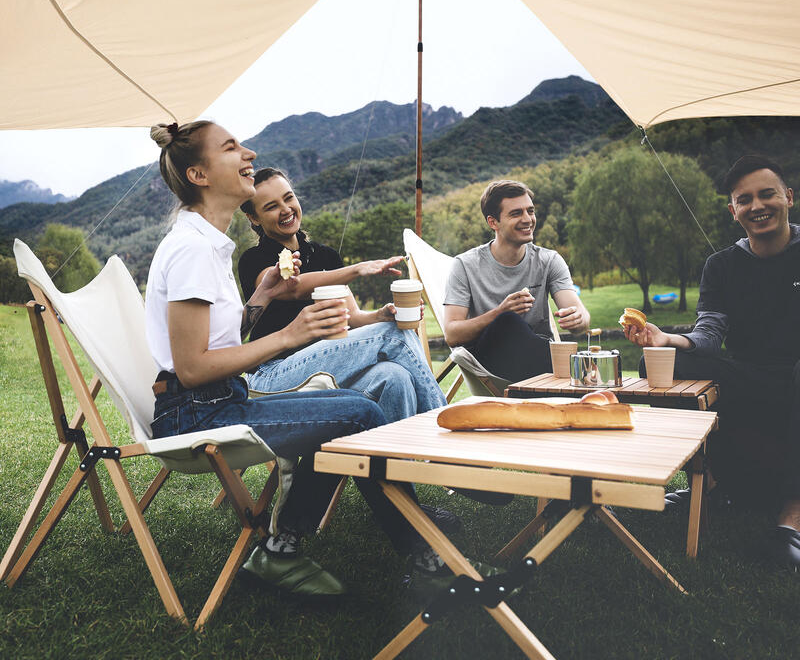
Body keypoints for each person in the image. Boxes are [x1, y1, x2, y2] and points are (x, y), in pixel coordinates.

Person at [144, 120, 446, 597]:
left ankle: (281, 548)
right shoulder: (191, 251)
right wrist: (288, 334)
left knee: (360, 411)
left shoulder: (208, 245)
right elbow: (192, 367)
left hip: (220, 398)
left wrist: (259, 300)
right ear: (200, 175)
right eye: (231, 147)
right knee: (362, 402)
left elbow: (218, 341)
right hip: (196, 411)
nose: (248, 152)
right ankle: (435, 505)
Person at [622, 155, 800, 566]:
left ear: (788, 197)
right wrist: (666, 339)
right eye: (745, 199)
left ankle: (792, 520)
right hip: (751, 376)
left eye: (766, 194)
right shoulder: (721, 266)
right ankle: (710, 483)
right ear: (733, 211)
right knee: (660, 363)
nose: (757, 206)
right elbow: (709, 334)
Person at [238, 168, 446, 424]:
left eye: (288, 198)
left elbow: (353, 318)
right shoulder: (254, 261)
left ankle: (399, 461)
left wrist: (381, 316)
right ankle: (442, 424)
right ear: (254, 217)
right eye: (271, 206)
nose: (285, 209)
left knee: (395, 377)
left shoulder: (326, 256)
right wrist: (357, 269)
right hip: (274, 374)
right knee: (395, 336)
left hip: (330, 365)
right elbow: (293, 287)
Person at [443, 179, 590, 382]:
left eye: (530, 211)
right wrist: (500, 312)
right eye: (516, 213)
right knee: (507, 321)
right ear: (493, 222)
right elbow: (451, 334)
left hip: (538, 361)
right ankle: (578, 375)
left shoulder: (548, 260)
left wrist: (579, 319)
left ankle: (574, 376)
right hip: (491, 365)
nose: (528, 219)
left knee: (518, 328)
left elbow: (581, 318)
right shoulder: (465, 265)